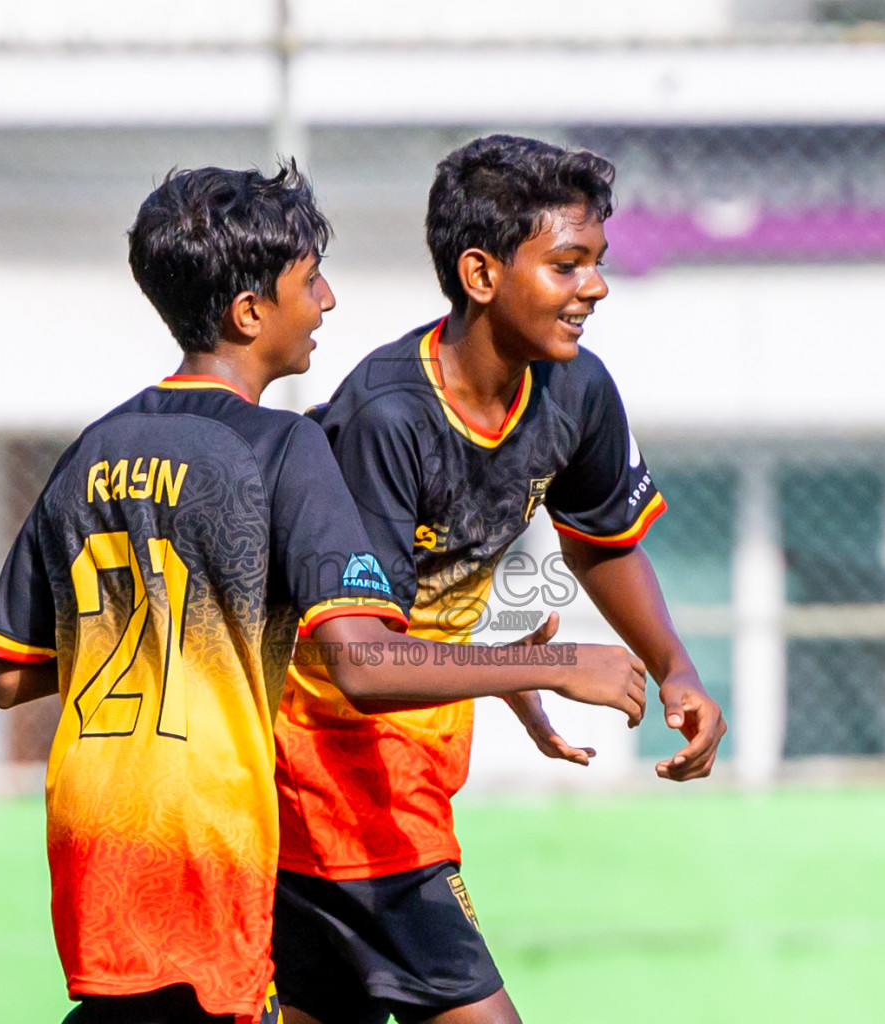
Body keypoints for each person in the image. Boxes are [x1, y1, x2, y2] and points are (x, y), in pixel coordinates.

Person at [0, 162, 648, 1024]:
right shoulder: (283, 451)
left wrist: (183, 648)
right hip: (217, 823)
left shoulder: (94, 448)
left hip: (95, 836)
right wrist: (558, 662)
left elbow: (10, 676)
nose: (327, 300)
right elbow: (362, 665)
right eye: (309, 280)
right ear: (250, 313)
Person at [272, 136, 729, 1024]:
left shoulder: (576, 392)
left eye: (596, 263)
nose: (593, 288)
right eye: (566, 265)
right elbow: (363, 667)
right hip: (331, 770)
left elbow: (603, 541)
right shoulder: (388, 419)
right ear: (480, 273)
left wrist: (676, 667)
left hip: (408, 766)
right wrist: (547, 668)